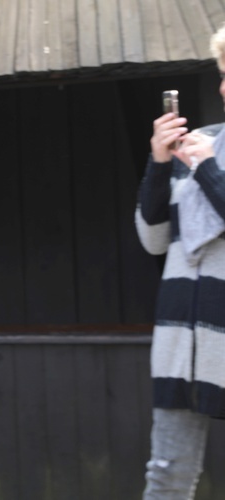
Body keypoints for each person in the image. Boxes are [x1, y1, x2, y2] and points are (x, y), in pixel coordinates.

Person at [136, 24, 225, 500]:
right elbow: (154, 239)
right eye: (224, 73)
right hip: (180, 340)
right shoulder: (204, 142)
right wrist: (159, 161)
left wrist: (210, 168)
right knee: (166, 477)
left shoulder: (207, 153)